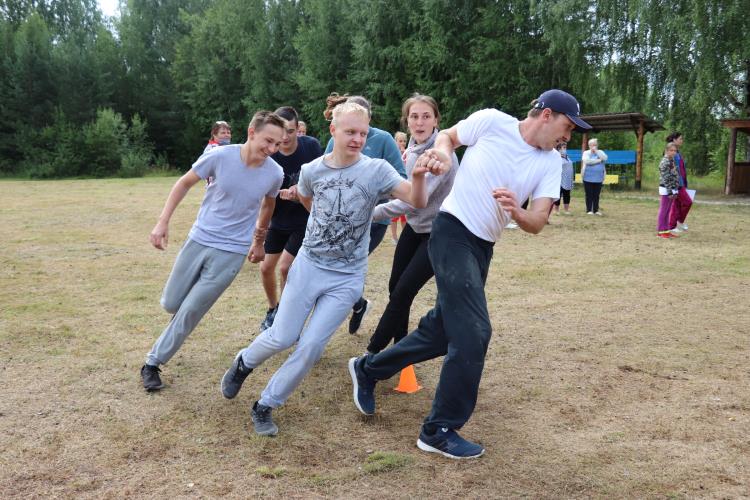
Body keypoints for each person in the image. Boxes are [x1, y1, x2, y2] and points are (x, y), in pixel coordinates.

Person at [348, 89, 592, 459]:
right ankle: (438, 430)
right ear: (546, 115)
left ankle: (368, 369)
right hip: (451, 230)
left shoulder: (550, 163)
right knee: (475, 331)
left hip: (482, 246)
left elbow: (538, 220)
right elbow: (448, 136)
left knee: (444, 330)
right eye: (567, 126)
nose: (567, 136)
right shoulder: (493, 121)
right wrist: (444, 154)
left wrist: (517, 211)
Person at [219, 101, 438, 436]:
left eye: (363, 133)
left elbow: (418, 200)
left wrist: (419, 176)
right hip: (309, 266)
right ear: (333, 130)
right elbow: (309, 201)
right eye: (350, 132)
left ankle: (266, 404)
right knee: (282, 336)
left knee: (310, 347)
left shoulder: (377, 170)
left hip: (347, 276)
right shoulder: (312, 170)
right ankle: (243, 363)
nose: (358, 139)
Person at [140, 111, 285, 392]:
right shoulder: (219, 156)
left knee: (191, 310)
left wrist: (259, 240)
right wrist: (162, 221)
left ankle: (152, 363)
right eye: (268, 141)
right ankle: (174, 324)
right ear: (252, 132)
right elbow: (184, 182)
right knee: (172, 303)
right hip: (200, 239)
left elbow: (269, 205)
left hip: (232, 251)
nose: (272, 149)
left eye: (277, 144)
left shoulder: (274, 173)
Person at [366, 94, 459, 355]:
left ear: (436, 120)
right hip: (415, 228)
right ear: (406, 121)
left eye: (426, 116)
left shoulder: (439, 154)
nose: (420, 122)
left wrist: (371, 213)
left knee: (403, 292)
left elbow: (415, 200)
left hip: (440, 233)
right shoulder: (412, 150)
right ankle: (400, 348)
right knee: (395, 287)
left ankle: (372, 355)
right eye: (414, 116)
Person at [323, 93, 406, 334]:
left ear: (368, 117)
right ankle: (358, 304)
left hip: (374, 220)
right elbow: (325, 172)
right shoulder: (336, 138)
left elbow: (401, 178)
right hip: (341, 221)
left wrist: (369, 192)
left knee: (344, 268)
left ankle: (349, 309)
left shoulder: (384, 139)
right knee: (335, 269)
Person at [258, 107, 323, 331]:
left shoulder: (311, 147)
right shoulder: (270, 153)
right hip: (278, 219)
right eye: (282, 131)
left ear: (298, 129)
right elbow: (262, 192)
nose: (285, 137)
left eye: (291, 131)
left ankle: (285, 318)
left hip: (304, 219)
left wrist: (301, 190)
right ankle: (273, 309)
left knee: (285, 268)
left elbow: (323, 178)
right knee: (266, 268)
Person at [666, 131, 692, 233]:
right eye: (680, 139)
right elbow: (670, 169)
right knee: (688, 202)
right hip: (676, 184)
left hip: (681, 183)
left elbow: (681, 169)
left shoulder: (678, 152)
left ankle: (672, 226)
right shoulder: (671, 153)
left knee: (676, 204)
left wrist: (684, 182)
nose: (682, 140)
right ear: (674, 140)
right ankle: (679, 222)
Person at [657, 142, 681, 239]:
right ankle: (661, 231)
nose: (673, 152)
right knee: (664, 210)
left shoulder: (671, 160)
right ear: (666, 151)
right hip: (666, 189)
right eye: (671, 150)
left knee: (668, 211)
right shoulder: (665, 162)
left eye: (675, 150)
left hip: (672, 188)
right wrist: (670, 191)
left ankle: (666, 230)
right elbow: (666, 178)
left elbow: (674, 175)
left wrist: (675, 189)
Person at [390, 131, 409, 244]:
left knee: (404, 214)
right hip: (395, 186)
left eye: (404, 141)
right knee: (394, 215)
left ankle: (403, 237)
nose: (402, 143)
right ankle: (394, 237)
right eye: (400, 141)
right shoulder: (393, 153)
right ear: (395, 141)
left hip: (405, 186)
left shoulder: (408, 153)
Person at [581, 138, 607, 215]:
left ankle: (596, 210)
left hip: (599, 178)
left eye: (595, 145)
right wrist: (599, 160)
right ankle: (589, 210)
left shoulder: (600, 152)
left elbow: (605, 158)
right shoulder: (586, 153)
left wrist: (596, 152)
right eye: (592, 145)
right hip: (587, 177)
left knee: (596, 195)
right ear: (589, 146)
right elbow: (587, 161)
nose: (594, 146)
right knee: (589, 194)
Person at [550, 142, 573, 216]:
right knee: (558, 195)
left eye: (565, 148)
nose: (565, 149)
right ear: (559, 149)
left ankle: (566, 210)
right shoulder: (556, 157)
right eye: (563, 148)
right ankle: (556, 210)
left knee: (567, 195)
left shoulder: (567, 157)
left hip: (568, 179)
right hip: (559, 179)